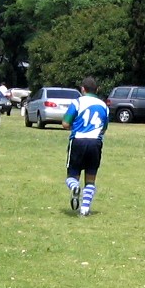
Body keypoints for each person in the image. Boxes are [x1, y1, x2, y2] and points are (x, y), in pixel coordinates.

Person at [62, 76, 110, 216]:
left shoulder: (77, 102)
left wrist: (75, 127)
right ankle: (84, 209)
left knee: (72, 176)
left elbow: (65, 123)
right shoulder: (104, 106)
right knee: (91, 178)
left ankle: (75, 187)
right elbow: (104, 128)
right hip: (95, 143)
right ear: (97, 89)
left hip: (78, 141)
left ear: (82, 89)